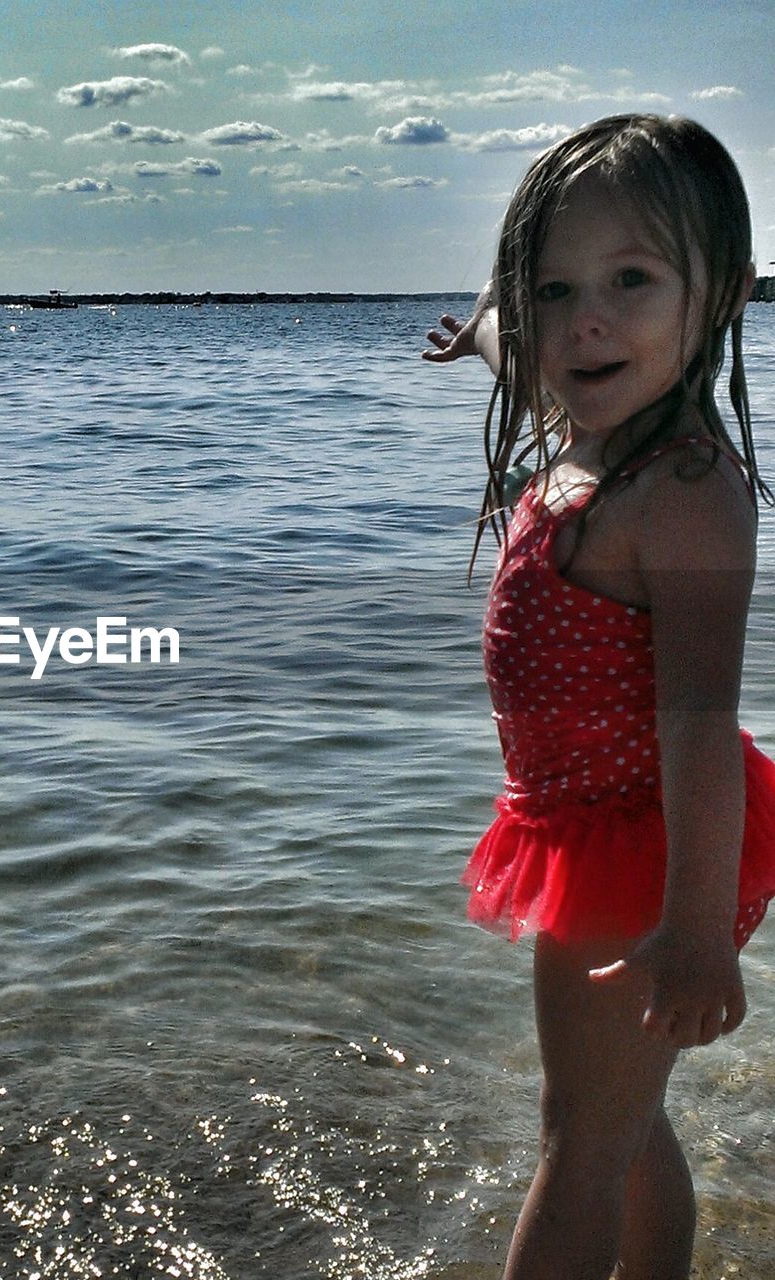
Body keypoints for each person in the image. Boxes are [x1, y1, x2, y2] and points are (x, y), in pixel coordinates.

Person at [422, 113, 775, 1280]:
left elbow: (697, 726)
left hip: (642, 846)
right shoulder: (587, 420)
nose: (586, 319)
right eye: (555, 285)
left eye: (631, 279)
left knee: (577, 1141)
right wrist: (478, 326)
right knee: (617, 1128)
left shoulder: (679, 492)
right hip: (581, 826)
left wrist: (689, 930)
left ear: (716, 289)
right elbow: (514, 348)